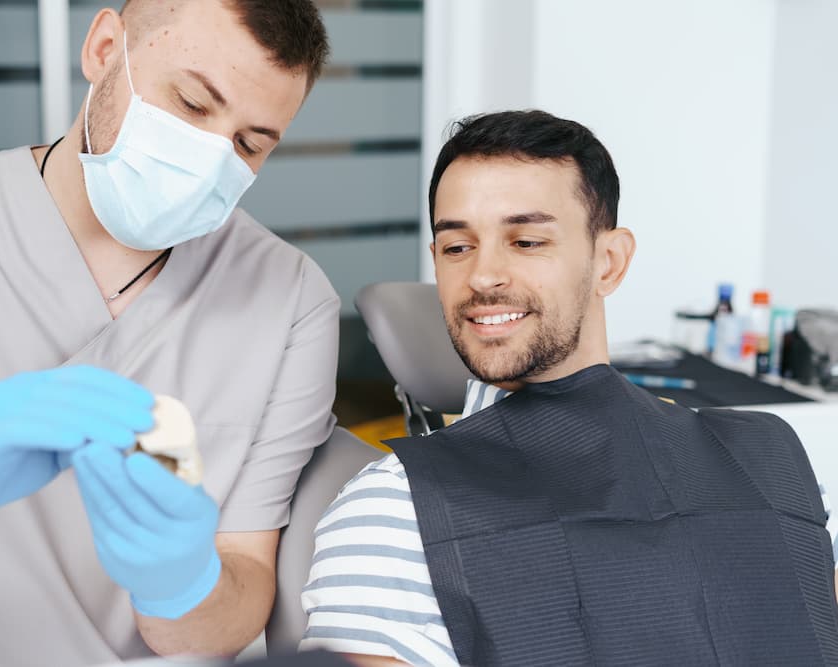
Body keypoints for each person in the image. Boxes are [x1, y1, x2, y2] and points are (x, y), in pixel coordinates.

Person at [0, 1, 338, 665]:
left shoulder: (292, 300)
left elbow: (243, 586)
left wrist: (184, 585)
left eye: (250, 144)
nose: (211, 157)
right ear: (104, 49)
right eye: (191, 103)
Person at [300, 110, 838, 666]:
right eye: (457, 248)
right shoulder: (396, 506)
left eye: (527, 241)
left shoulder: (767, 458)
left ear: (609, 262)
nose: (483, 276)